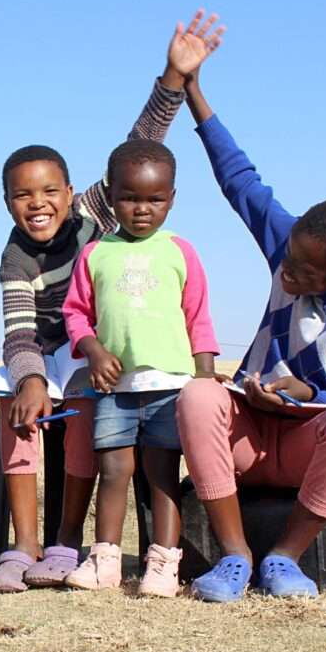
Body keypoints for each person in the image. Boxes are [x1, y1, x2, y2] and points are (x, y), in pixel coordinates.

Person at [0, 10, 225, 594]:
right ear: (7, 202)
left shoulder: (97, 209)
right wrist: (30, 381)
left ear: (70, 193)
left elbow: (142, 143)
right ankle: (22, 547)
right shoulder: (15, 258)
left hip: (99, 352)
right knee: (13, 410)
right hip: (50, 353)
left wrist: (173, 77)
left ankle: (70, 543)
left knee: (95, 409)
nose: (37, 204)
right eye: (22, 195)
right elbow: (20, 335)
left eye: (49, 192)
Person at [175, 69, 326, 602]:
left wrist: (305, 394)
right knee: (199, 394)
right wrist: (194, 94)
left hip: (304, 444)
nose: (287, 273)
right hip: (248, 439)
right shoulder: (292, 246)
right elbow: (240, 180)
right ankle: (234, 556)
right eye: (289, 259)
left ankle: (286, 557)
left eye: (302, 272)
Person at [61, 137, 219, 596]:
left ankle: (163, 567)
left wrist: (204, 382)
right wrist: (92, 349)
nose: (141, 209)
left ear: (171, 199)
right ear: (111, 197)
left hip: (171, 387)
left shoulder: (180, 252)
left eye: (154, 199)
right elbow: (75, 313)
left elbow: (199, 318)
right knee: (112, 472)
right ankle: (105, 561)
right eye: (129, 198)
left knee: (162, 476)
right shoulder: (96, 254)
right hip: (116, 389)